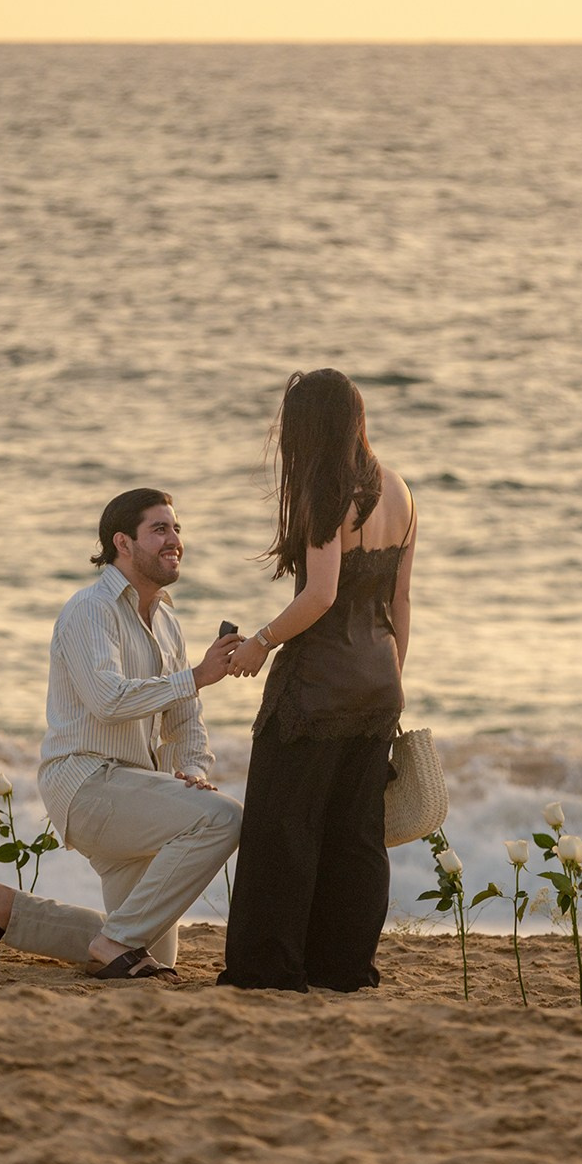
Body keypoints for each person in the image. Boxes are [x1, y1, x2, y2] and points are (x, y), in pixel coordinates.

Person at [0, 488, 245, 979]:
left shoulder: (169, 624)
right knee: (223, 820)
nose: (174, 539)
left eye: (176, 528)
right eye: (159, 529)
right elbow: (108, 700)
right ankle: (115, 939)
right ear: (123, 542)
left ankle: (1, 909)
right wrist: (198, 675)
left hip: (132, 792)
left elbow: (185, 722)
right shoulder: (89, 609)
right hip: (87, 784)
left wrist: (194, 771)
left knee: (154, 952)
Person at [217, 369, 416, 992]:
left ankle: (270, 970)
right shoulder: (400, 491)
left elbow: (322, 594)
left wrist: (259, 642)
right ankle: (343, 967)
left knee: (283, 827)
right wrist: (391, 680)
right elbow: (401, 599)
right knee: (357, 835)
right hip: (379, 681)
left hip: (316, 687)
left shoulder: (328, 493)